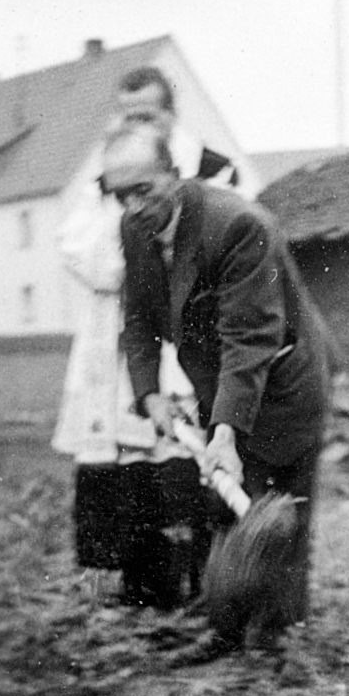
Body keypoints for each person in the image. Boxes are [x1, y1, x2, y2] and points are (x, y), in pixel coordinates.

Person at [105, 122, 330, 649]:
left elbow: (249, 340)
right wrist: (150, 394)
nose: (134, 206)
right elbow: (138, 317)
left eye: (144, 190)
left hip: (282, 383)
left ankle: (280, 643)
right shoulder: (135, 229)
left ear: (173, 174)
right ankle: (224, 632)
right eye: (121, 196)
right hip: (222, 385)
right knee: (224, 510)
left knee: (278, 516)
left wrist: (224, 432)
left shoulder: (237, 226)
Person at [52, 67, 250, 607]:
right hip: (116, 340)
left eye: (147, 114)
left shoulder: (210, 169)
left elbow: (210, 250)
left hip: (182, 334)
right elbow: (92, 262)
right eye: (127, 114)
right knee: (128, 465)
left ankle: (200, 589)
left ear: (171, 114)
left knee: (186, 461)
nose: (136, 124)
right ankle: (143, 591)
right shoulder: (109, 175)